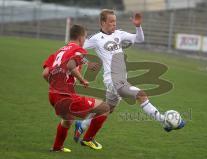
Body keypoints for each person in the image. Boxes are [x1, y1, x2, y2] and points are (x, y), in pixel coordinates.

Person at [74, 9, 185, 142]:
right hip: (113, 80)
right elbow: (76, 50)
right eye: (111, 21)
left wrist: (138, 26)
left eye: (115, 21)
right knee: (141, 95)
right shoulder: (96, 38)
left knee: (108, 108)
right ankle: (163, 121)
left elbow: (139, 38)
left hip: (121, 78)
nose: (114, 24)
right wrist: (86, 62)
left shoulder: (119, 34)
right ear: (103, 22)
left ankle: (81, 125)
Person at [42, 24, 110, 151]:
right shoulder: (78, 49)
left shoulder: (59, 51)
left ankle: (57, 147)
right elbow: (71, 64)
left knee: (67, 120)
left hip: (52, 95)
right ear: (80, 37)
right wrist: (82, 80)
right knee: (105, 108)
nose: (85, 40)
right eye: (85, 37)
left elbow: (45, 73)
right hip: (65, 96)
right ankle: (88, 139)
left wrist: (56, 86)